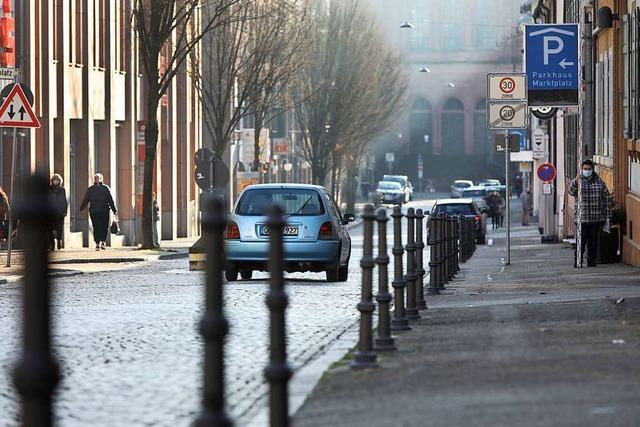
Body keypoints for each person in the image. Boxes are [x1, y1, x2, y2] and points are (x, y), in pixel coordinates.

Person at [568, 159, 612, 267]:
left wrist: (607, 217)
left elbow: (606, 199)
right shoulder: (578, 181)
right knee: (581, 241)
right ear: (582, 170)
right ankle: (578, 261)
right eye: (585, 169)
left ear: (592, 169)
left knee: (593, 241)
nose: (587, 171)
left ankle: (591, 262)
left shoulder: (599, 182)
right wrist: (576, 179)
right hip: (581, 218)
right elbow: (571, 191)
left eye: (589, 169)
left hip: (595, 218)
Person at [80, 173, 118, 251]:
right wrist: (82, 208)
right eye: (96, 178)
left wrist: (114, 209)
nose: (97, 179)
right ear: (94, 179)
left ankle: (103, 242)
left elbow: (110, 200)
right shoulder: (91, 189)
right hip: (95, 211)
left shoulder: (105, 188)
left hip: (104, 211)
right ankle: (97, 243)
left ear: (101, 179)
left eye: (99, 178)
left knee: (104, 227)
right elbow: (86, 199)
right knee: (96, 227)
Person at [49, 174, 69, 250]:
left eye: (57, 180)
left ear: (60, 181)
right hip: (50, 213)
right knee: (49, 229)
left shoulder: (62, 189)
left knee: (59, 228)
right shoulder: (49, 189)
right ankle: (52, 244)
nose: (55, 181)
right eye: (54, 179)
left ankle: (59, 240)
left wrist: (65, 211)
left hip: (59, 212)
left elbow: (64, 201)